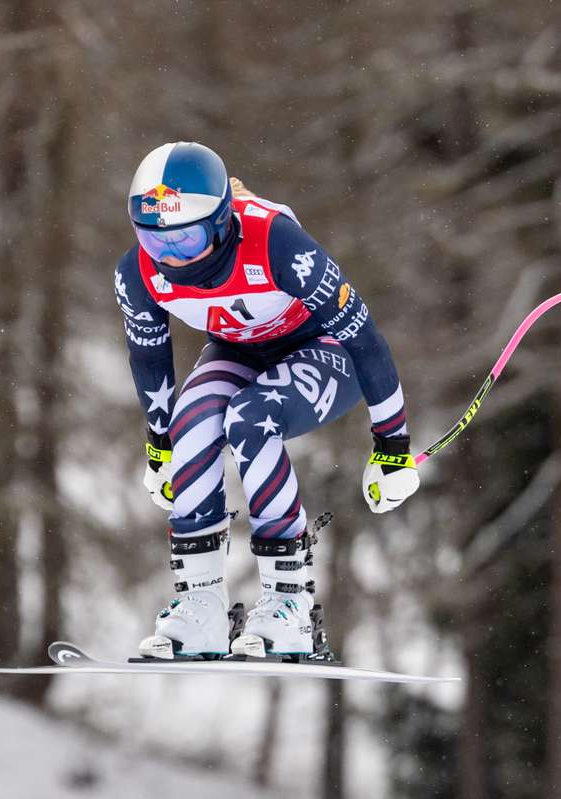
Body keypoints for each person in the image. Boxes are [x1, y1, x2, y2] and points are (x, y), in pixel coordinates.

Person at [115, 141, 420, 660]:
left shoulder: (277, 244)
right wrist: (159, 449)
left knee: (251, 417)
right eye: (151, 238)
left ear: (218, 222)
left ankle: (290, 604)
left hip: (324, 348)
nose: (168, 258)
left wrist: (392, 447)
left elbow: (363, 336)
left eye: (184, 241)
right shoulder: (139, 272)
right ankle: (202, 607)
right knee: (195, 419)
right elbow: (150, 363)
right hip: (241, 349)